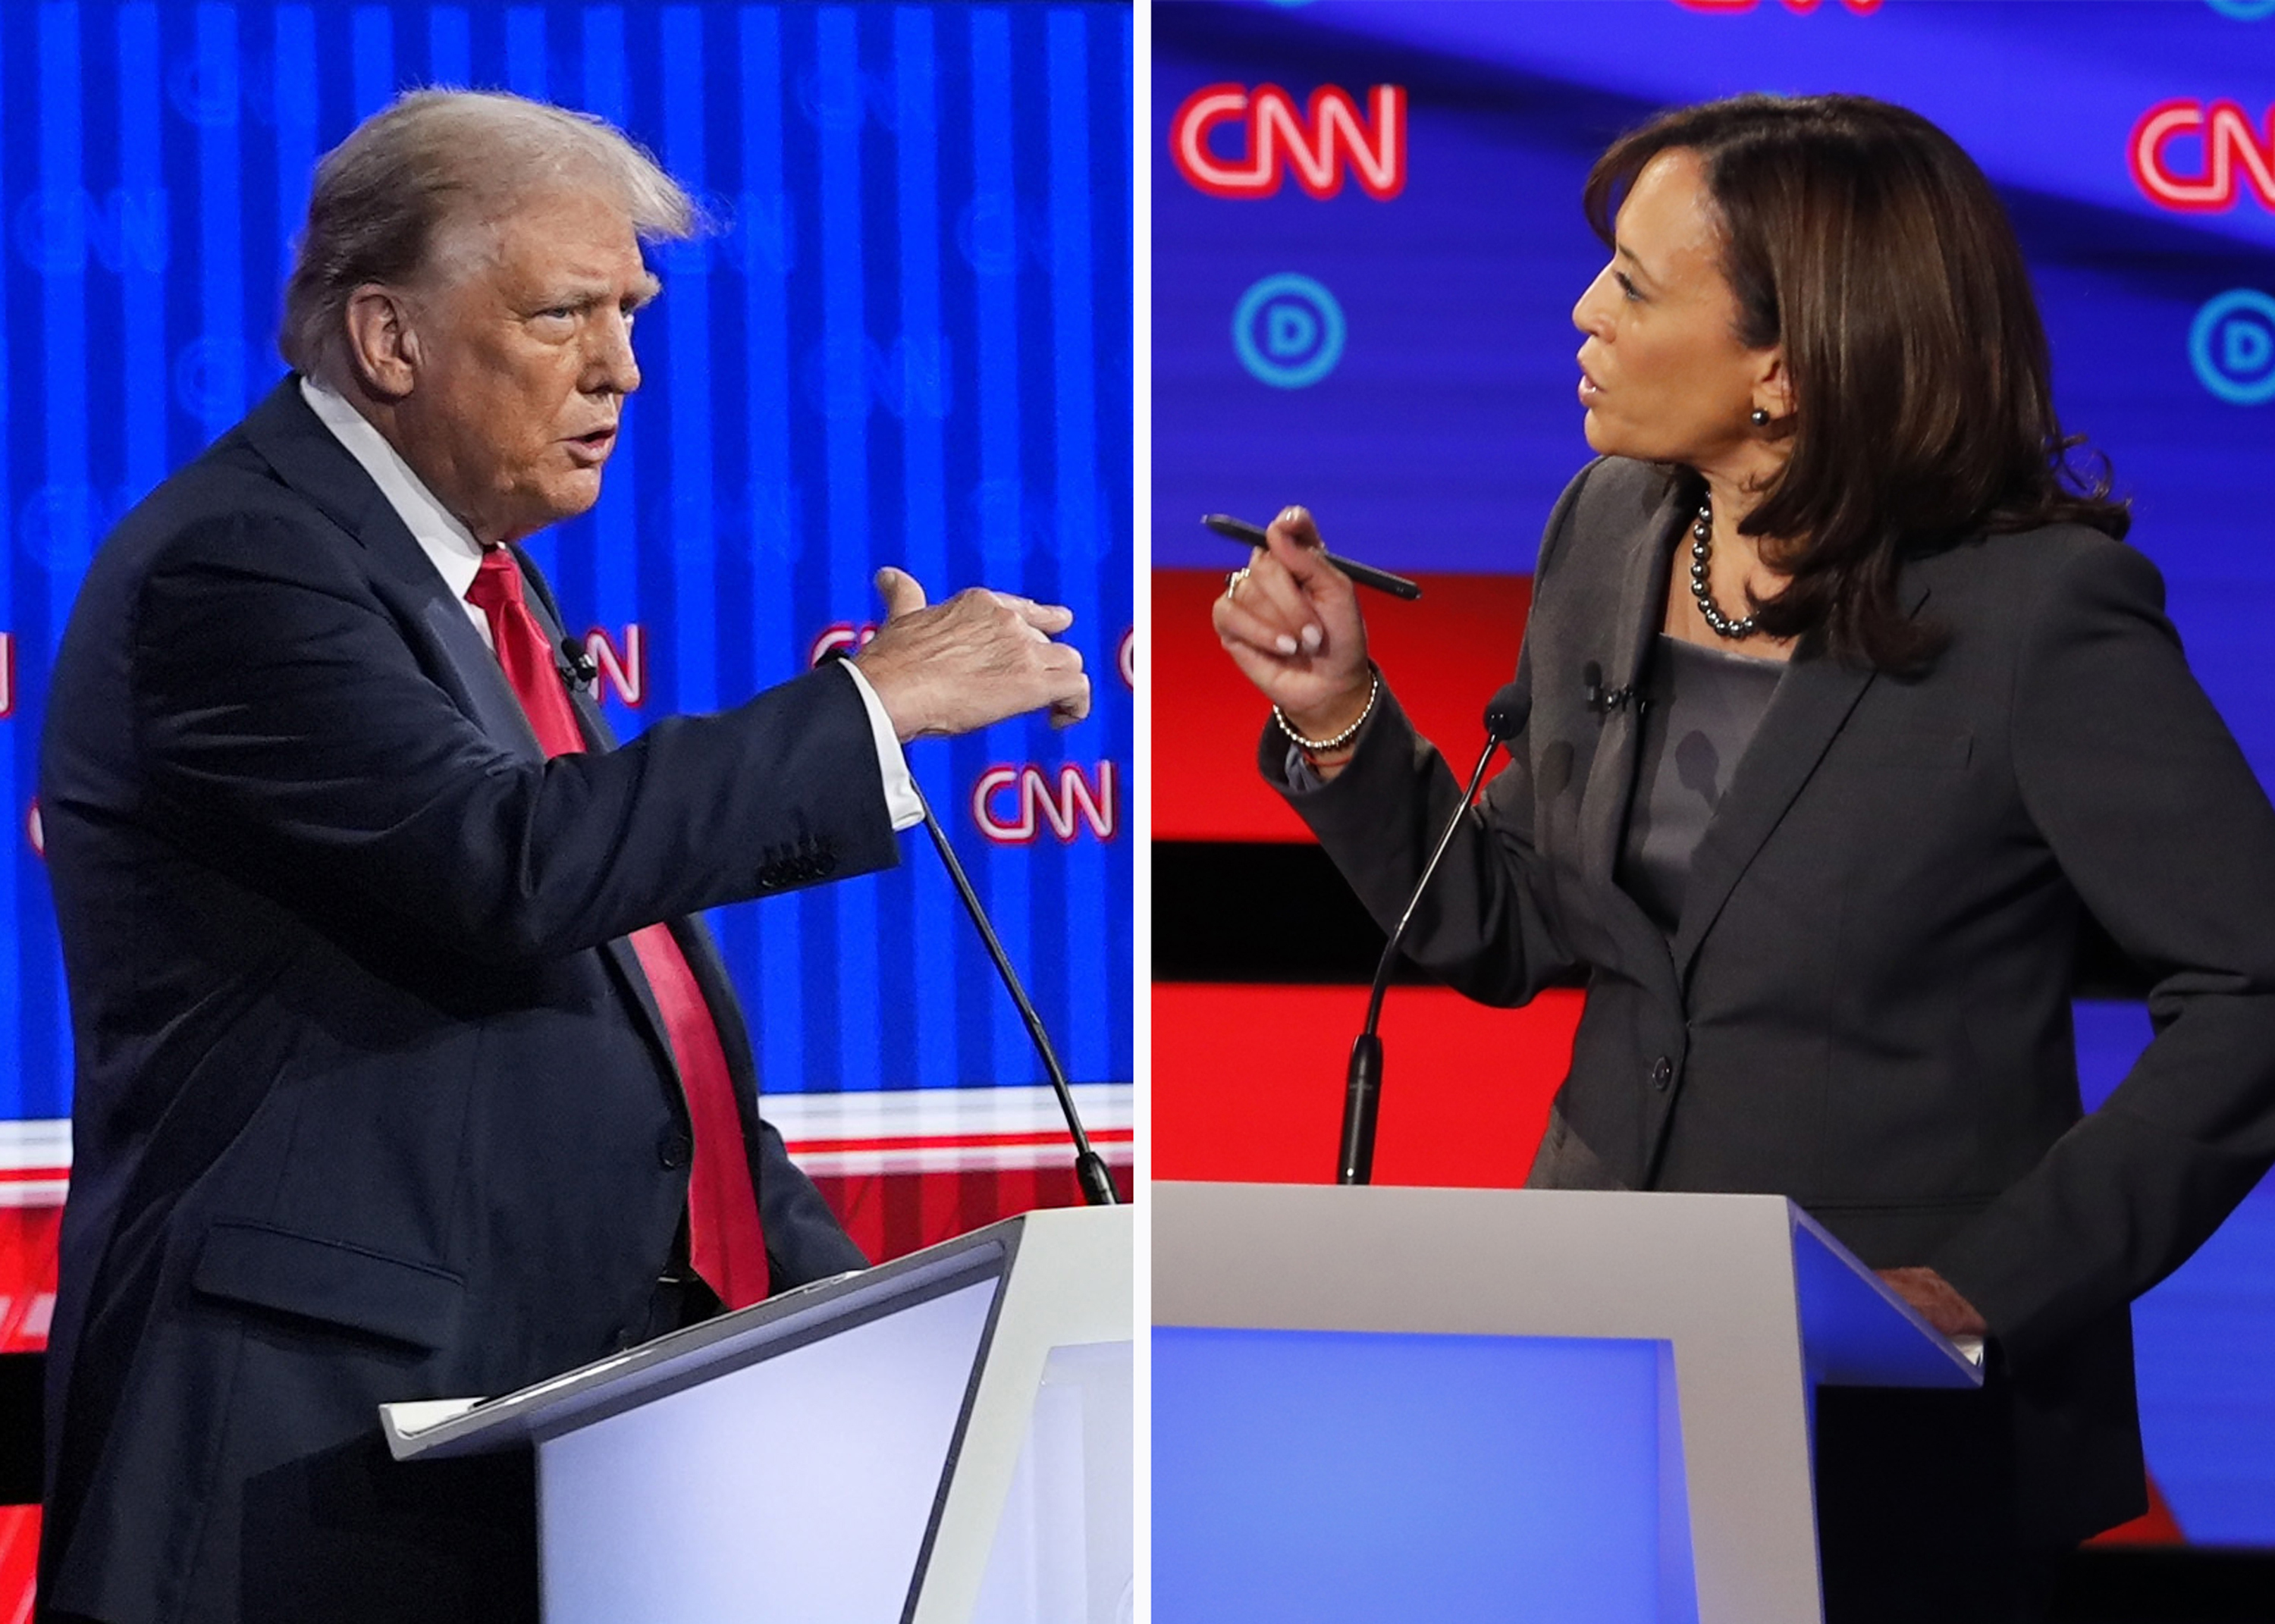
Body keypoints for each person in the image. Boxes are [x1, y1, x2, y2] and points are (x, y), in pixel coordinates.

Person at [1214, 93, 2275, 1622]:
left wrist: (1985, 1289)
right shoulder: (1610, 528)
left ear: (1788, 364)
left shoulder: (2044, 619)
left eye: (1635, 286)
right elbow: (1505, 929)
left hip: (1890, 1419)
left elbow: (2254, 987)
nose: (1582, 310)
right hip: (1592, 1371)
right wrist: (1340, 721)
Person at [36, 91, 1089, 1624]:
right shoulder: (241, 565)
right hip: (310, 1459)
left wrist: (860, 1323)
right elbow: (503, 866)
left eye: (631, 315)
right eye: (565, 316)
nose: (621, 371)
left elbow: (635, 1014)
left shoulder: (473, 581)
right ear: (389, 341)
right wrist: (881, 699)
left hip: (534, 1437)